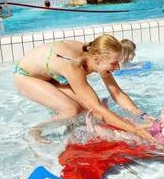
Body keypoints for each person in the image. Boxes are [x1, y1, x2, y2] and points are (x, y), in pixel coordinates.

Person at [13, 34, 155, 143]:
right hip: (27, 77)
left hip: (53, 76)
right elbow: (98, 108)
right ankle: (36, 130)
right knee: (71, 109)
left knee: (87, 110)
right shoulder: (74, 65)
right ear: (97, 59)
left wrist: (141, 114)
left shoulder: (96, 55)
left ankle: (72, 132)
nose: (118, 67)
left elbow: (117, 93)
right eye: (114, 63)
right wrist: (134, 130)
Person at [88, 97, 164, 147]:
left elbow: (161, 144)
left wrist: (142, 127)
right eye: (163, 109)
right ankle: (106, 115)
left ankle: (95, 130)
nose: (162, 111)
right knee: (126, 122)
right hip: (143, 134)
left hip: (144, 142)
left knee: (120, 135)